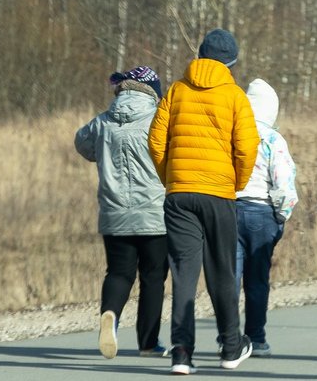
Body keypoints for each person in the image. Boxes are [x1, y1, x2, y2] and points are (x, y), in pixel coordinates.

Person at [148, 28, 260, 375]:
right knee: (221, 271)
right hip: (218, 193)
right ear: (232, 62)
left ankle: (182, 352)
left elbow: (155, 140)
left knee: (183, 274)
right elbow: (247, 147)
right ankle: (230, 346)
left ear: (200, 55)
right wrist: (236, 182)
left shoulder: (177, 90)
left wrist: (172, 178)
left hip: (179, 193)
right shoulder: (235, 96)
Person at [74, 65, 170, 360]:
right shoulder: (159, 120)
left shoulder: (102, 122)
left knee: (118, 272)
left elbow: (82, 144)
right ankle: (148, 343)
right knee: (153, 276)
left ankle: (111, 314)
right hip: (154, 213)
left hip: (114, 213)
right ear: (153, 91)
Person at [233, 78, 298, 357]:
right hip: (261, 212)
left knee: (230, 279)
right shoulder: (273, 139)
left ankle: (230, 339)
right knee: (257, 279)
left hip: (229, 208)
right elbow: (284, 183)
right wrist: (281, 216)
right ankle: (256, 338)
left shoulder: (231, 132)